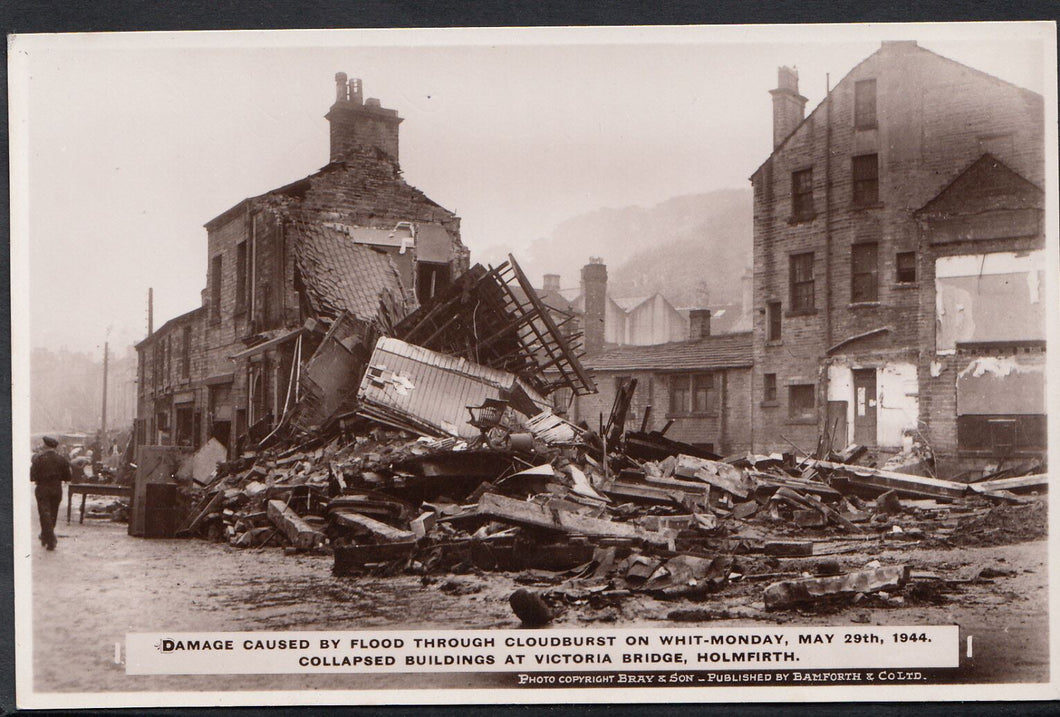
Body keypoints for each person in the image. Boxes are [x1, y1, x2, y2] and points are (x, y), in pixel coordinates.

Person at [30, 435, 72, 551]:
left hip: (43, 488)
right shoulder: (62, 459)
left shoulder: (38, 459)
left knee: (44, 513)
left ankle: (50, 538)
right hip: (56, 488)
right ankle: (46, 536)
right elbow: (68, 477)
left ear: (45, 446)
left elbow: (32, 477)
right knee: (53, 513)